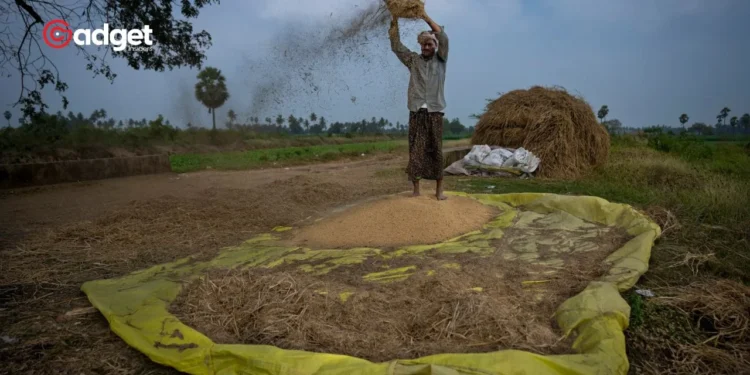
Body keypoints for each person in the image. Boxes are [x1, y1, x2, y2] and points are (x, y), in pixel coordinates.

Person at [389, 11, 449, 200]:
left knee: (436, 150)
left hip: (434, 112)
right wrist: (395, 20)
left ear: (435, 46)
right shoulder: (413, 60)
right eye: (423, 44)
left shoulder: (441, 60)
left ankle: (439, 190)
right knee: (415, 150)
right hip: (416, 112)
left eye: (429, 43)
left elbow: (443, 36)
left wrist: (423, 16)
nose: (425, 47)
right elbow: (397, 47)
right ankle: (416, 189)